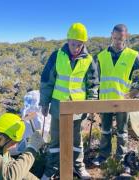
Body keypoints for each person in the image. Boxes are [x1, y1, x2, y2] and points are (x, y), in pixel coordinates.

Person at [92, 24, 139, 176]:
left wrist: (137, 90)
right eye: (115, 38)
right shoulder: (101, 56)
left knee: (122, 131)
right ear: (111, 35)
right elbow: (94, 79)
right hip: (105, 100)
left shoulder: (132, 55)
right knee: (105, 130)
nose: (118, 41)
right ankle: (103, 156)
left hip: (123, 101)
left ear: (126, 37)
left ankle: (121, 158)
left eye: (121, 38)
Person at [39, 22, 99, 179]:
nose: (76, 47)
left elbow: (93, 85)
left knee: (76, 139)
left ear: (83, 43)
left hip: (78, 109)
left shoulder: (89, 60)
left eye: (79, 44)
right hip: (58, 107)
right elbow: (47, 81)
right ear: (68, 41)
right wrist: (44, 103)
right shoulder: (56, 56)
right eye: (73, 44)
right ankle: (52, 168)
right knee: (55, 140)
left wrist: (91, 104)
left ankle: (78, 166)